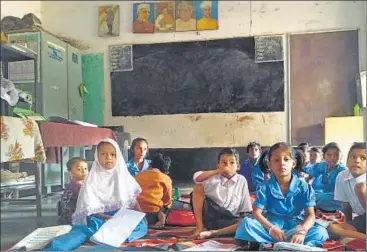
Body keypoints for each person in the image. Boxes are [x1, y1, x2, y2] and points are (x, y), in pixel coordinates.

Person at [235, 142, 329, 247]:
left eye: (286, 159)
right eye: (276, 160)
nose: (282, 163)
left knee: (320, 231)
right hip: (272, 225)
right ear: (269, 164)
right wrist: (271, 229)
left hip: (297, 226)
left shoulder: (304, 186)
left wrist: (301, 232)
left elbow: (310, 215)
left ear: (293, 163)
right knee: (246, 224)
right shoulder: (264, 186)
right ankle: (289, 243)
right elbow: (257, 213)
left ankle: (274, 243)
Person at [72, 138, 146, 241]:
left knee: (141, 225)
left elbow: (132, 199)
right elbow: (88, 208)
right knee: (93, 226)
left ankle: (115, 235)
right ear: (97, 156)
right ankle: (111, 235)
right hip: (99, 217)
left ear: (118, 156)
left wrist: (140, 214)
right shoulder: (92, 179)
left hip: (120, 215)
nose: (109, 158)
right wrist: (105, 217)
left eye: (113, 154)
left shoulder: (122, 175)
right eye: (103, 154)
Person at [189, 148, 253, 239]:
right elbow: (197, 178)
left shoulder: (241, 180)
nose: (227, 166)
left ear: (238, 166)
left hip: (229, 220)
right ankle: (199, 227)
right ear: (218, 165)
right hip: (210, 217)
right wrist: (218, 171)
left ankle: (213, 233)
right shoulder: (213, 177)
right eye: (224, 163)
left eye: (232, 163)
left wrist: (245, 220)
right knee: (198, 188)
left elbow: (245, 209)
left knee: (249, 221)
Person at [327, 142, 366, 240]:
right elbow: (346, 205)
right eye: (352, 157)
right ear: (347, 160)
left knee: (360, 188)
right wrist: (348, 224)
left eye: (363, 158)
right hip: (363, 219)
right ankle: (363, 237)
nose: (357, 161)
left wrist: (361, 192)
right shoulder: (342, 176)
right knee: (331, 227)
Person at [304, 142, 347, 211]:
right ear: (324, 156)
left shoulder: (342, 171)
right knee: (307, 193)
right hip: (324, 196)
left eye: (336, 155)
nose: (332, 158)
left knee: (314, 197)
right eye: (329, 155)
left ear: (341, 156)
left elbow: (343, 195)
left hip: (337, 200)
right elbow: (308, 170)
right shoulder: (323, 165)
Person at [136, 153, 172, 227]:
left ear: (150, 165)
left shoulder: (138, 175)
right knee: (171, 204)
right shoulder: (165, 178)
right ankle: (161, 219)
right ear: (166, 170)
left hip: (137, 213)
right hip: (153, 215)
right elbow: (167, 201)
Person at [58, 157, 88, 224]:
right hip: (72, 216)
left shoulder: (82, 184)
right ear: (70, 172)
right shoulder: (75, 187)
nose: (83, 171)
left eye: (86, 168)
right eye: (79, 169)